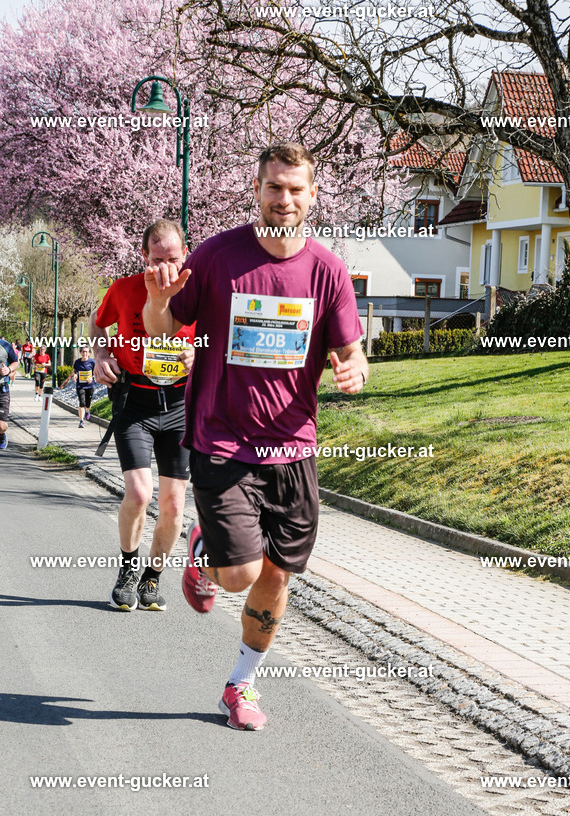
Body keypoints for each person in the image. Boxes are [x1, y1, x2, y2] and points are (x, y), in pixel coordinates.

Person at [143, 142, 368, 731]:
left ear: (312, 195)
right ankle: (203, 552)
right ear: (257, 188)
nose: (284, 199)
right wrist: (158, 300)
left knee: (276, 575)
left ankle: (240, 686)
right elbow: (165, 332)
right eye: (274, 188)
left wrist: (356, 367)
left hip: (292, 448)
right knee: (240, 573)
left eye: (296, 190)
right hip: (222, 441)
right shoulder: (219, 256)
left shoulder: (327, 270)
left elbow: (351, 347)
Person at [91, 219, 196, 612]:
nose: (166, 268)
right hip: (135, 401)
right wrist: (101, 356)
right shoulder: (123, 289)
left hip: (181, 405)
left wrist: (197, 354)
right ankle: (127, 569)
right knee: (138, 492)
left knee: (172, 505)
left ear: (185, 254)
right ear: (143, 257)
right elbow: (98, 325)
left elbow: (219, 340)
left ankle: (152, 578)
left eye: (173, 258)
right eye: (156, 260)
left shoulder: (197, 292)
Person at [63, 345, 96, 427]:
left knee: (88, 403)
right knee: (82, 402)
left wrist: (91, 378)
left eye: (86, 352)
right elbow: (74, 371)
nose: (85, 353)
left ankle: (87, 410)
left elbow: (96, 373)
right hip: (80, 386)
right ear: (80, 353)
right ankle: (81, 421)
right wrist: (74, 375)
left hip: (90, 386)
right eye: (83, 351)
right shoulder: (77, 362)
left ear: (89, 353)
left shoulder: (92, 362)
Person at [0, 336, 19, 450]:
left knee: (1, 426)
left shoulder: (5, 345)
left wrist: (8, 369)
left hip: (2, 390)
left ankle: (1, 435)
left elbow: (15, 362)